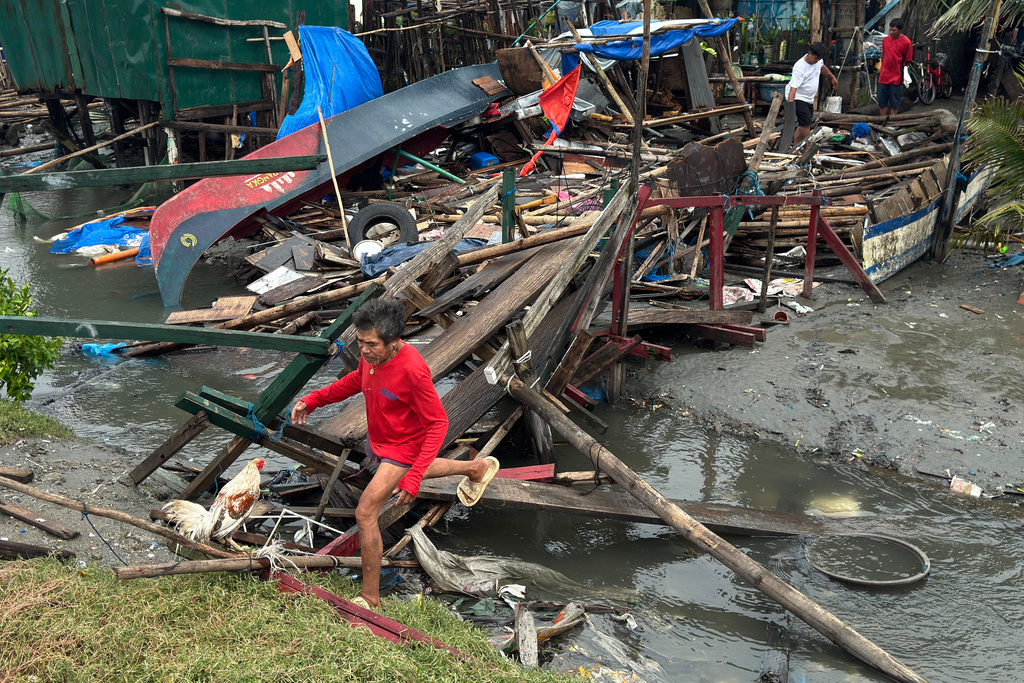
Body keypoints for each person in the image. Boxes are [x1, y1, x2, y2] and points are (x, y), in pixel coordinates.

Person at [291, 298, 500, 610]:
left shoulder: (413, 371)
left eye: (370, 344)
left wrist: (413, 477)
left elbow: (438, 423)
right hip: (383, 440)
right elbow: (355, 381)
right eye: (359, 342)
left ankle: (369, 597)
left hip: (405, 447)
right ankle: (477, 469)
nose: (363, 350)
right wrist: (314, 399)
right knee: (414, 472)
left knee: (365, 511)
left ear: (393, 340)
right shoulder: (371, 360)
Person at [785, 42, 840, 147]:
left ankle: (796, 146)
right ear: (810, 53)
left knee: (804, 124)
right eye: (815, 58)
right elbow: (793, 89)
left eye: (819, 59)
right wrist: (790, 108)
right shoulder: (800, 67)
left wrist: (832, 77)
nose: (817, 61)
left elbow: (822, 67)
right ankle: (807, 147)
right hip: (798, 97)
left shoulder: (818, 61)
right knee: (806, 124)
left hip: (809, 99)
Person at [878, 18, 913, 118]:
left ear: (900, 30)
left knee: (894, 104)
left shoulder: (906, 42)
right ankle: (882, 123)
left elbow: (908, 59)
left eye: (894, 30)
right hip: (883, 76)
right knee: (882, 103)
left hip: (896, 78)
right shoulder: (885, 40)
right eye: (890, 30)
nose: (891, 32)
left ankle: (892, 124)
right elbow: (884, 55)